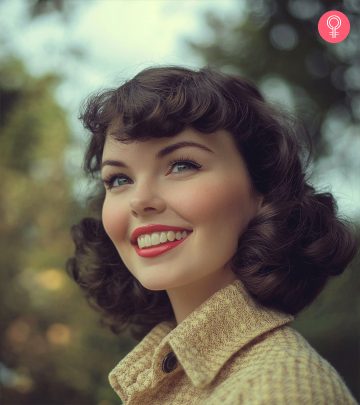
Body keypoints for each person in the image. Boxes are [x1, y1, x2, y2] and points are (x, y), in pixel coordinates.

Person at [66, 65, 359, 404]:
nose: (140, 201)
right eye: (119, 179)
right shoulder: (167, 376)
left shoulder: (281, 388)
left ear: (262, 189)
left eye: (181, 165)